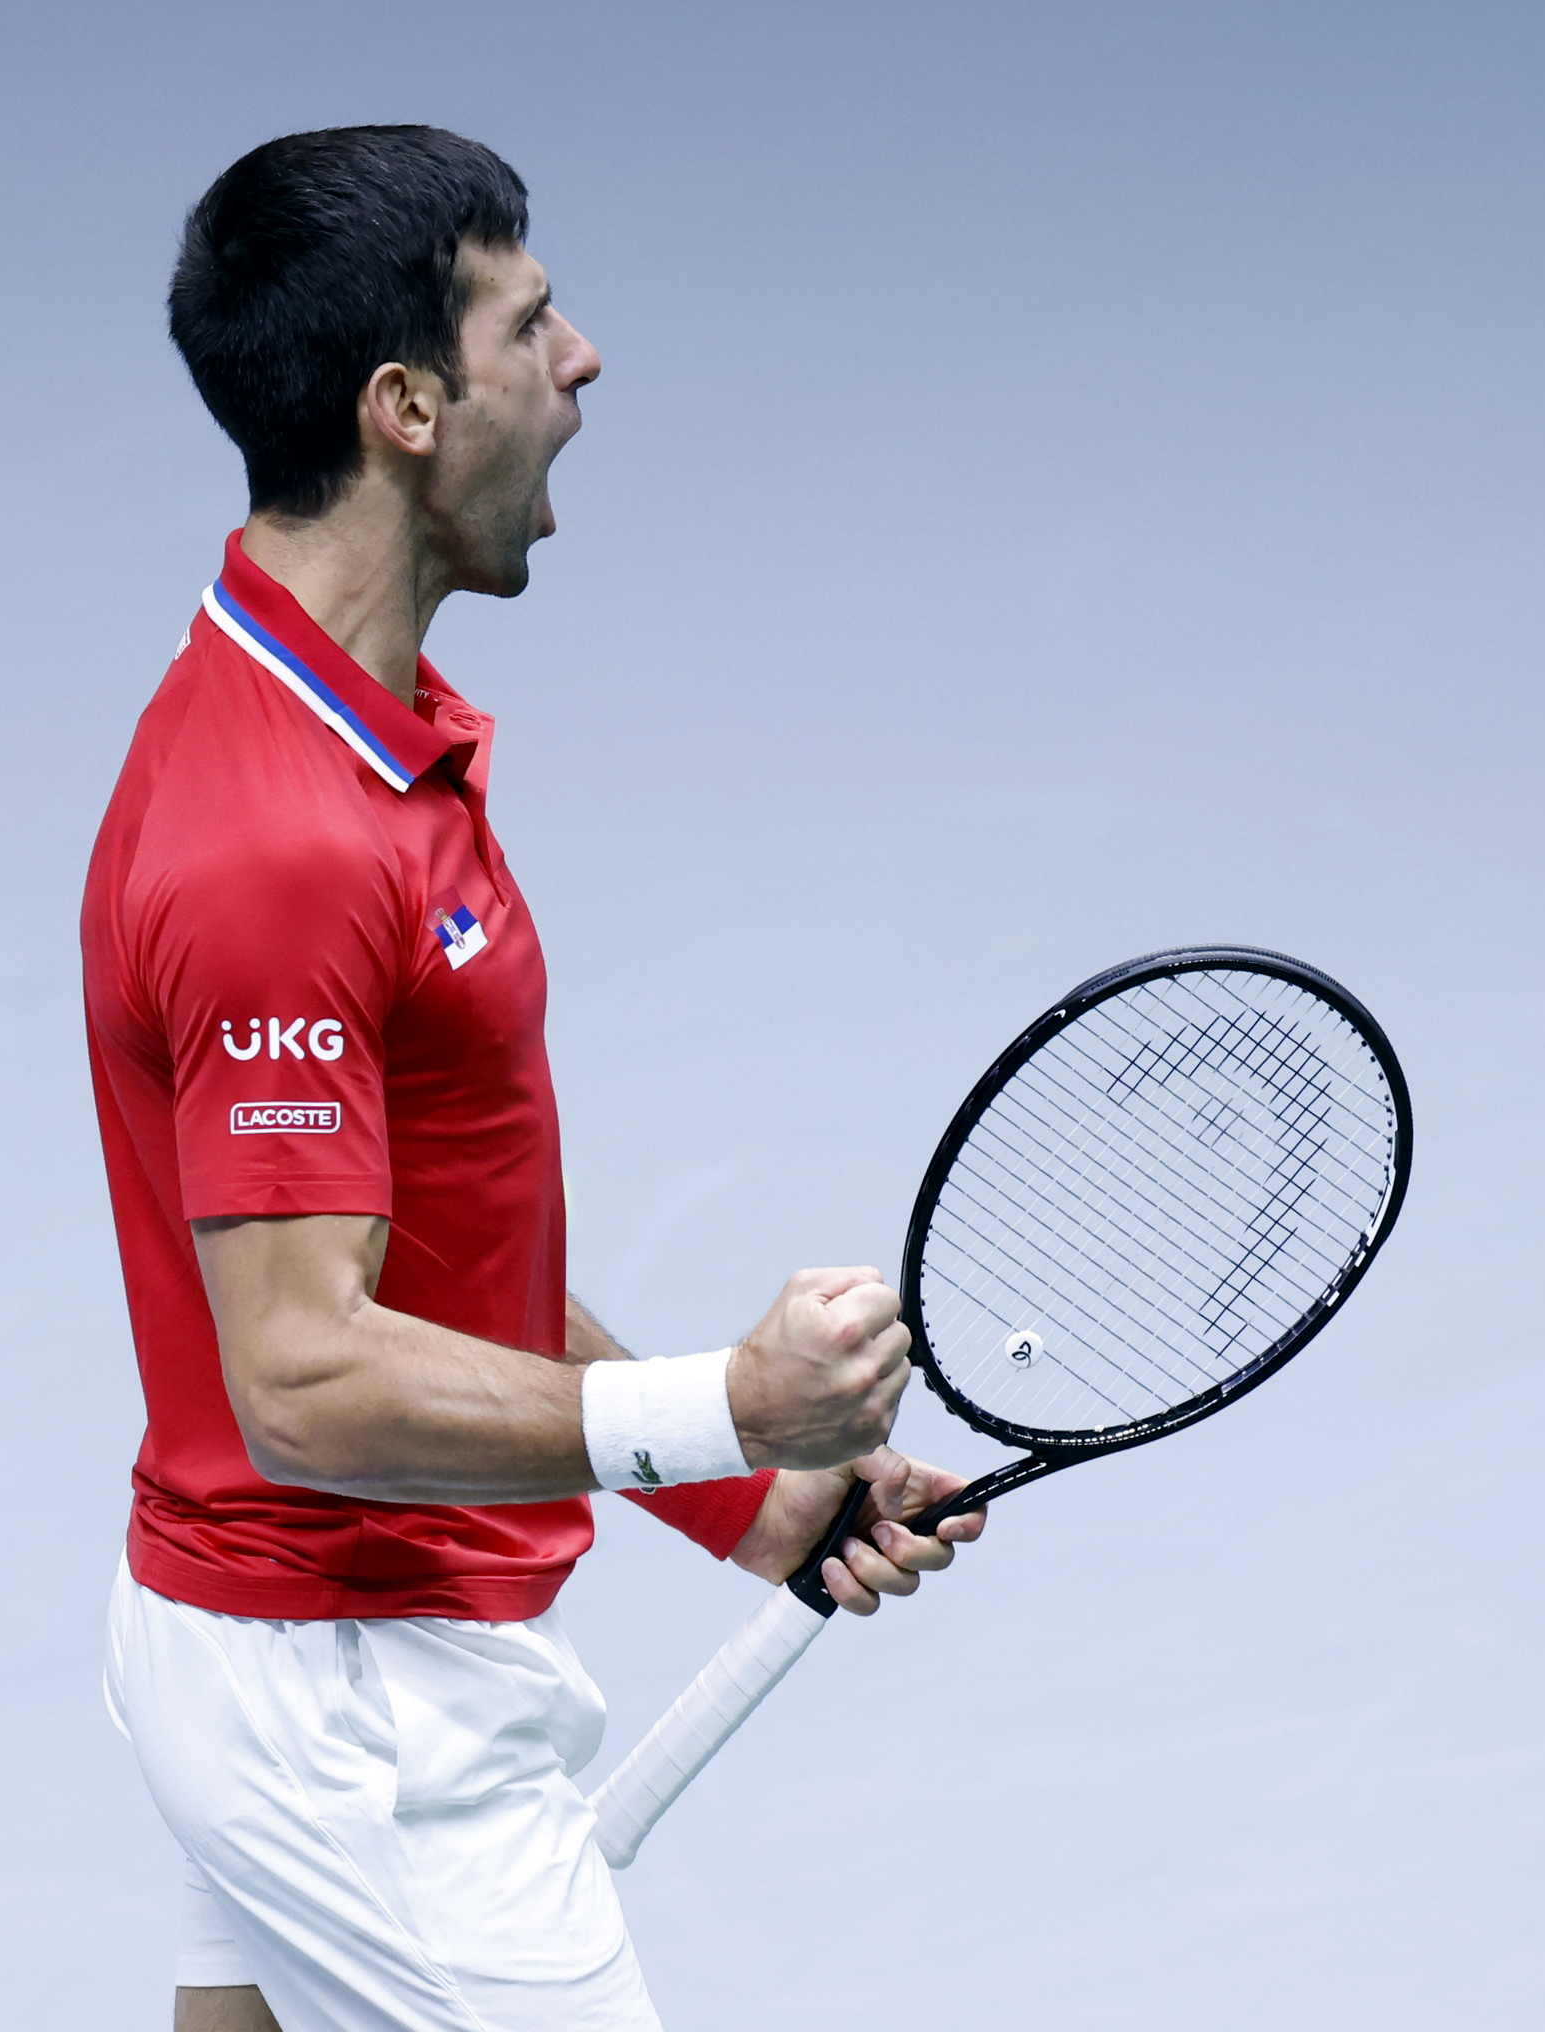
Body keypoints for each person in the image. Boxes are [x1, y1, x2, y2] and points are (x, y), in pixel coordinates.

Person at [80, 126, 983, 2032]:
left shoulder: (352, 739)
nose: (581, 361)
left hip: (276, 1642)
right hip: (358, 1706)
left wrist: (746, 1481)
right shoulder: (279, 847)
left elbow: (427, 1270)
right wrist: (726, 1395)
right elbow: (312, 1379)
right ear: (407, 406)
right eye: (532, 319)